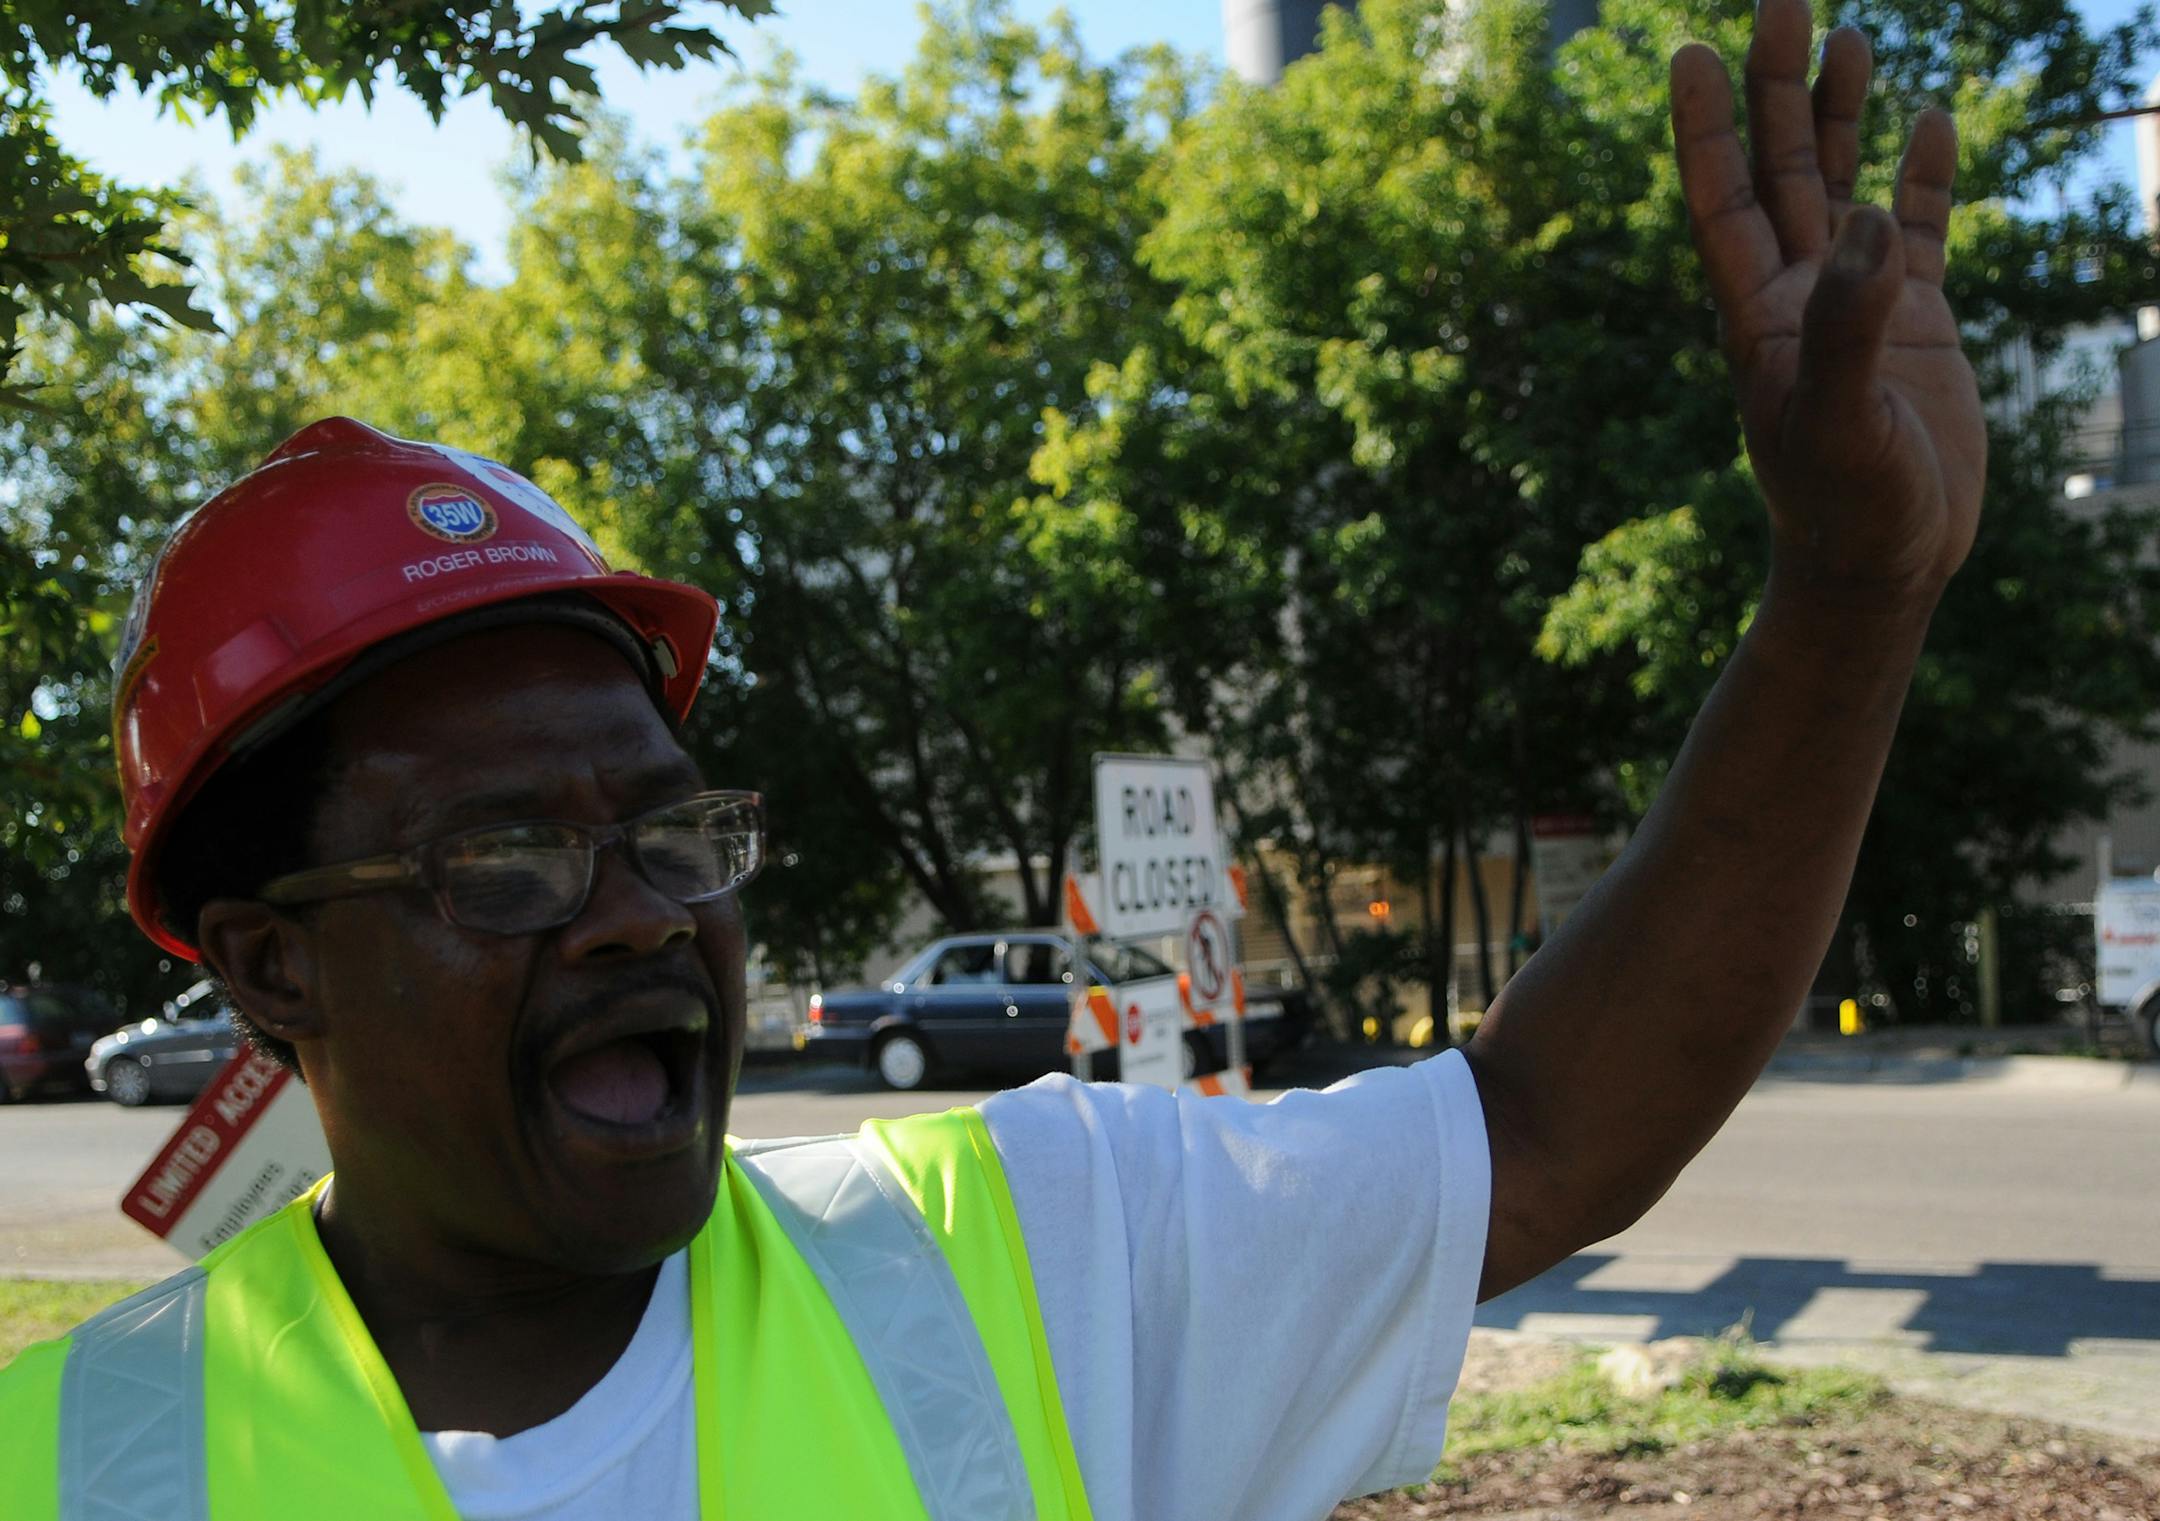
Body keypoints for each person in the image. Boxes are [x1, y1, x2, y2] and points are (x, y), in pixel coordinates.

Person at [0, 3, 1982, 1516]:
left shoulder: (1023, 1253)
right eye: (504, 859)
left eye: (674, 829)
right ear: (266, 963)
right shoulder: (69, 1459)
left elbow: (1546, 1130)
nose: (637, 919)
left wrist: (1849, 593)